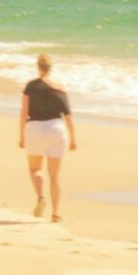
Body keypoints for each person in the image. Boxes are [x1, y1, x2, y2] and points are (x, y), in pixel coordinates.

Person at [18, 53, 78, 221]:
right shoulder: (59, 89)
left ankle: (40, 197)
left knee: (35, 169)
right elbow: (68, 117)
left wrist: (22, 136)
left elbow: (23, 114)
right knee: (54, 175)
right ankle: (56, 213)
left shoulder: (30, 87)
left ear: (38, 67)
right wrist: (73, 139)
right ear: (50, 68)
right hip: (56, 130)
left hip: (35, 129)